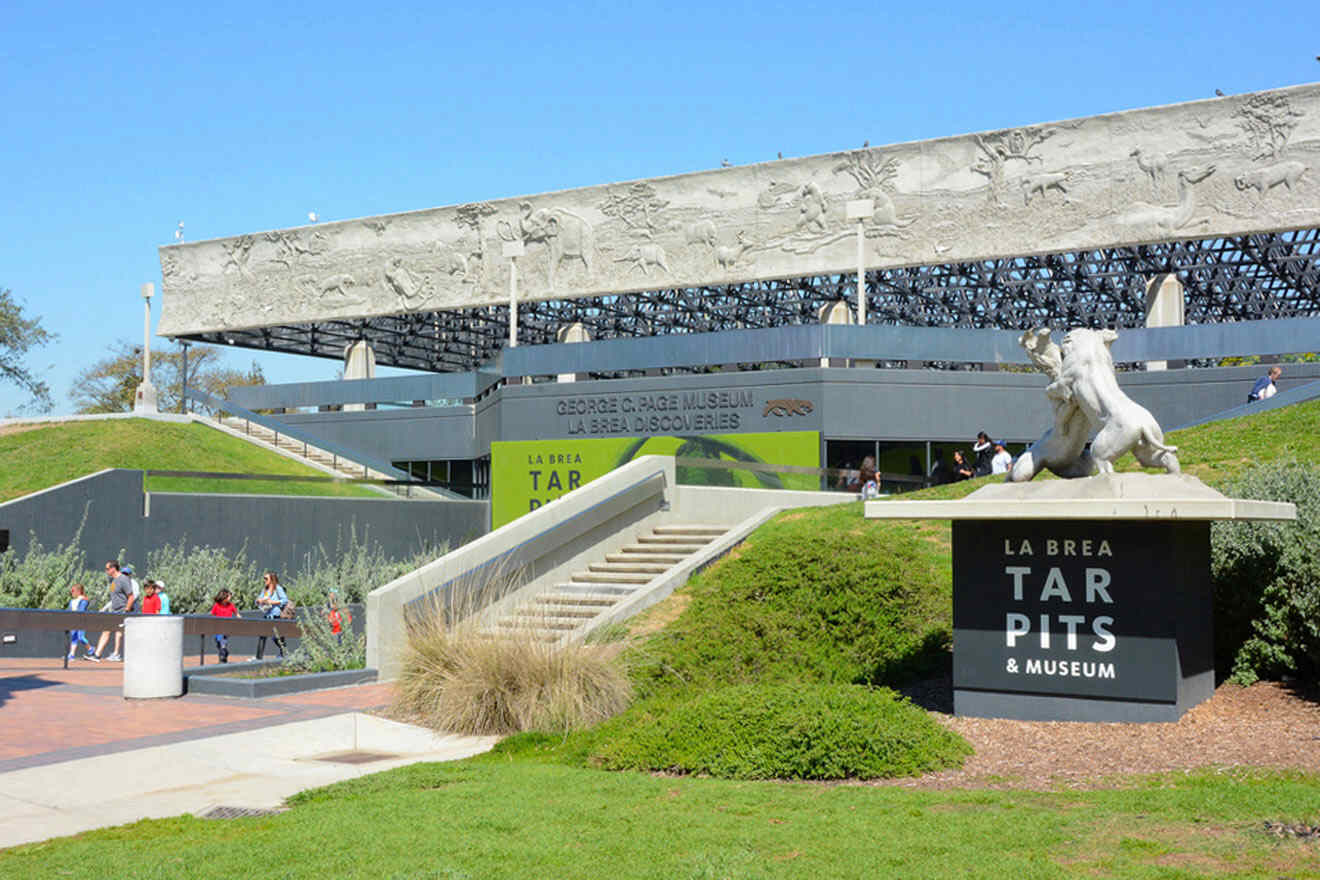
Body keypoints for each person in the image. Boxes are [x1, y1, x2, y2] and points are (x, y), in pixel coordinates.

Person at [90, 560, 136, 662]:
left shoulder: (124, 579)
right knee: (106, 630)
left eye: (107, 569)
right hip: (114, 612)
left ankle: (107, 655)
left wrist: (126, 610)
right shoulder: (113, 581)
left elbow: (131, 597)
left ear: (113, 568)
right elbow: (114, 598)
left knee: (121, 634)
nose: (106, 571)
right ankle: (97, 655)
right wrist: (105, 608)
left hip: (122, 612)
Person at [254, 571, 288, 659]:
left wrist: (272, 602)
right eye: (264, 578)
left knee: (278, 637)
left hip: (276, 616)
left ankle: (284, 654)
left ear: (272, 579)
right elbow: (258, 599)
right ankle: (258, 658)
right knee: (262, 636)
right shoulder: (265, 590)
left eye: (266, 578)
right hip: (267, 616)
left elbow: (285, 600)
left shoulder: (278, 589)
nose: (264, 580)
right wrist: (259, 601)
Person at [209, 589, 240, 663]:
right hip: (218, 627)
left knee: (223, 641)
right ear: (224, 597)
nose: (230, 598)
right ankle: (223, 654)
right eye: (229, 596)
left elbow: (236, 613)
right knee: (220, 641)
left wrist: (240, 618)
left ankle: (223, 654)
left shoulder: (231, 605)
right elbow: (212, 614)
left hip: (227, 627)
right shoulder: (216, 606)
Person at [67, 583, 92, 660]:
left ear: (79, 591)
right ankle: (72, 654)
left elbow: (81, 610)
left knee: (81, 637)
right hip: (73, 621)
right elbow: (69, 610)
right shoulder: (72, 601)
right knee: (74, 637)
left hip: (81, 621)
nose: (72, 592)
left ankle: (91, 649)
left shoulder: (83, 600)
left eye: (73, 591)